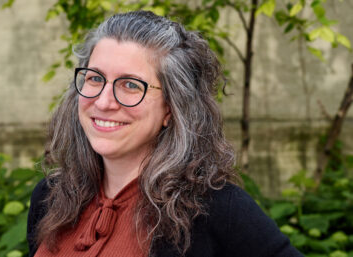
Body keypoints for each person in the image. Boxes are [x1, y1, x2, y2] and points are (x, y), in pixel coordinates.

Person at [27, 10, 303, 257]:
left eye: (131, 85)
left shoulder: (216, 211)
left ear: (171, 108)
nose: (103, 102)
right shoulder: (52, 197)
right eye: (95, 78)